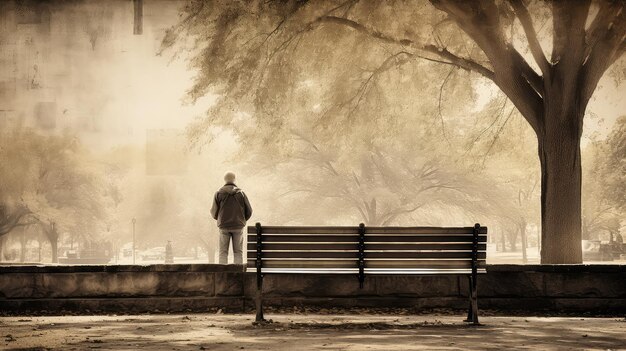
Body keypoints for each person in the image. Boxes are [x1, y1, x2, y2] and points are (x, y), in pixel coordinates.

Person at [210, 171, 253, 264]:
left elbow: (213, 212)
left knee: (223, 252)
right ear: (234, 179)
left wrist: (220, 218)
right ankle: (238, 275)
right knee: (238, 252)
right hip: (238, 226)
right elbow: (249, 210)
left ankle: (223, 275)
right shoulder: (241, 193)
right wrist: (242, 219)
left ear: (225, 180)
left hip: (224, 226)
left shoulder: (218, 193)